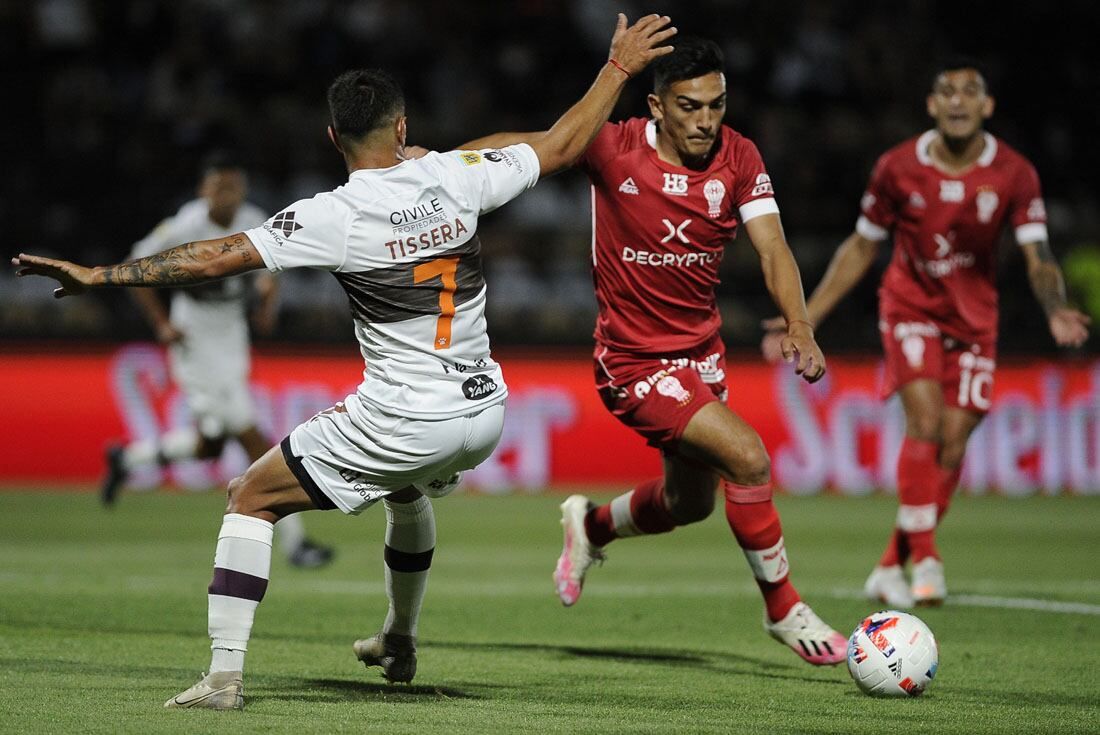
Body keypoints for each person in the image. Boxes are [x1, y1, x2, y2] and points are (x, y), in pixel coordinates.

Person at [13, 14, 676, 710]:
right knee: (407, 490)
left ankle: (223, 677)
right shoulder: (455, 178)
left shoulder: (335, 213)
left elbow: (212, 255)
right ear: (401, 126)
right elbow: (561, 141)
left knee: (250, 494)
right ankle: (398, 636)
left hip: (406, 414)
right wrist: (618, 69)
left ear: (333, 138)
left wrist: (100, 275)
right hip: (484, 412)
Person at [457, 37, 847, 666]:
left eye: (717, 105)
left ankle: (591, 526)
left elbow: (773, 247)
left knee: (688, 504)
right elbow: (522, 144)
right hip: (632, 362)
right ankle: (784, 609)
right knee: (748, 458)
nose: (706, 121)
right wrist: (436, 164)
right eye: (690, 106)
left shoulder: (739, 157)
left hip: (702, 356)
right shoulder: (614, 146)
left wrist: (799, 322)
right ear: (657, 106)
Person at [761, 58, 1089, 608]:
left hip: (976, 319)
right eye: (947, 92)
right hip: (909, 305)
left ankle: (891, 565)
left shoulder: (1014, 172)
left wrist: (1055, 306)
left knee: (954, 440)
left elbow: (1039, 257)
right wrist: (805, 316)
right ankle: (929, 556)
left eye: (970, 92)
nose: (958, 100)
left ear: (986, 106)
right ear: (932, 105)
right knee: (927, 420)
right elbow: (861, 247)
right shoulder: (896, 168)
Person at [102, 152, 334, 569]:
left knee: (210, 445)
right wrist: (160, 323)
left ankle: (129, 459)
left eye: (232, 187)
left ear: (242, 190)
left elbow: (272, 270)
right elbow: (134, 266)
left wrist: (266, 308)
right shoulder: (185, 225)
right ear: (203, 190)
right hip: (194, 339)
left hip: (231, 336)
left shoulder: (255, 218)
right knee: (253, 438)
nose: (226, 195)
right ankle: (296, 543)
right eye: (218, 187)